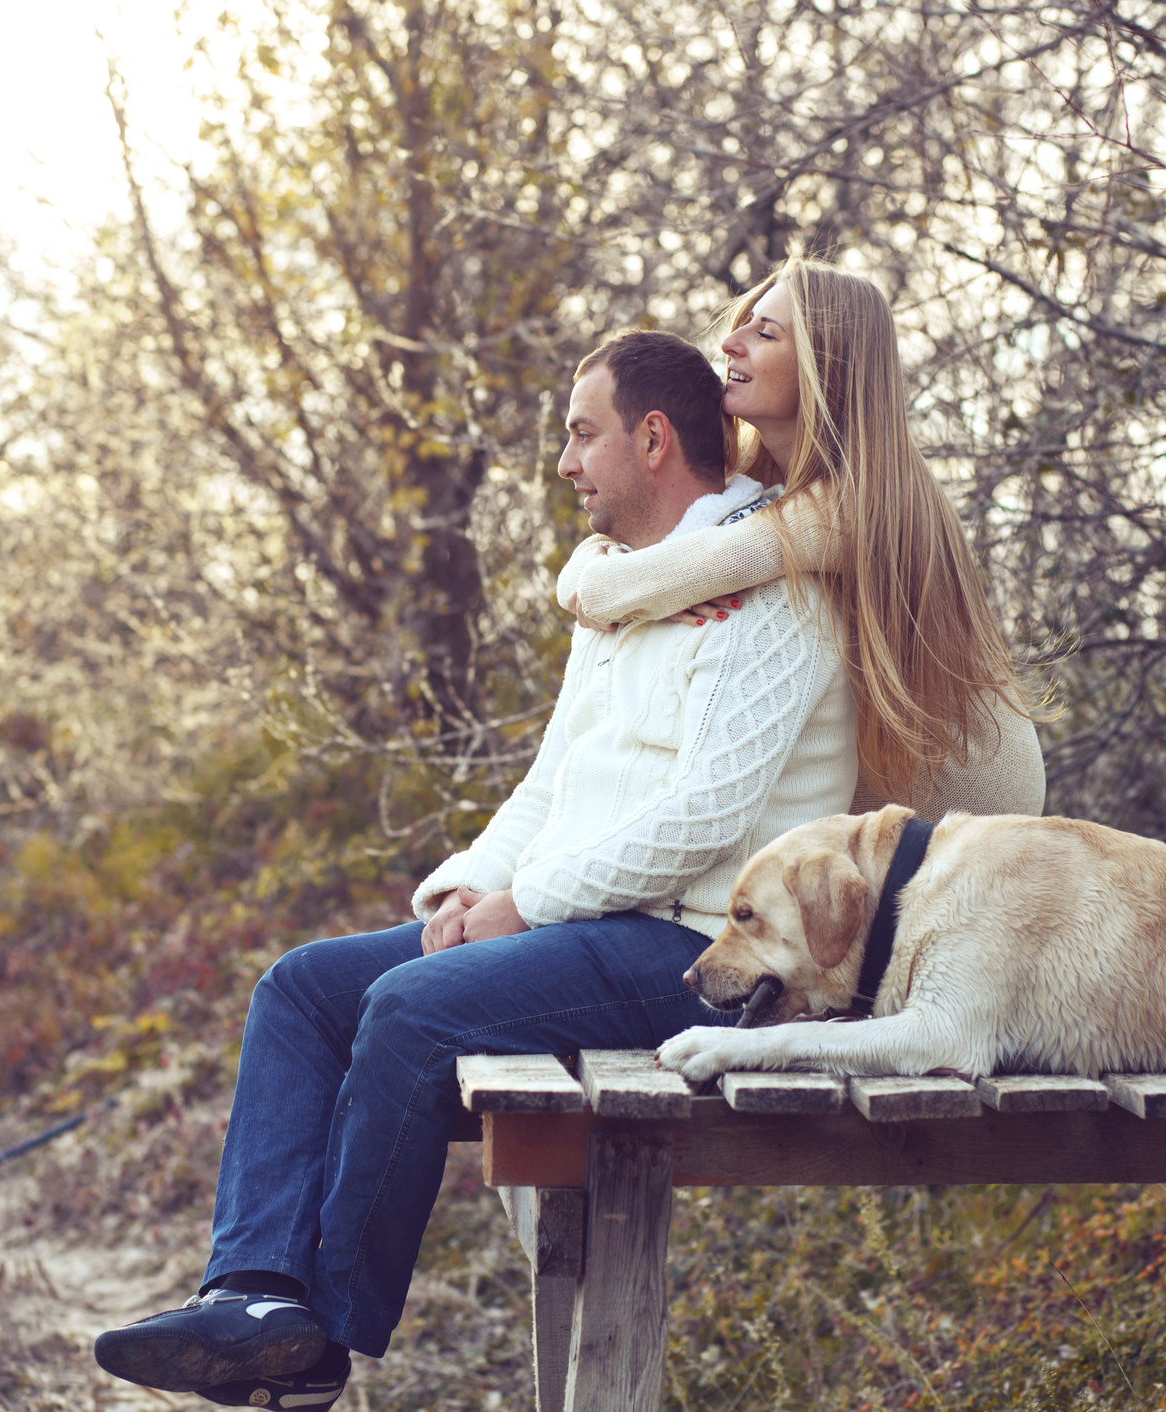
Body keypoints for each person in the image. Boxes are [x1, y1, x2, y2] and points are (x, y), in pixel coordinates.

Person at [94, 266, 1036, 1406]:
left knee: (406, 1010)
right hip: (596, 921)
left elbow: (709, 817)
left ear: (650, 440)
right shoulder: (628, 588)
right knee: (303, 990)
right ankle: (256, 1298)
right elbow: (554, 780)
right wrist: (467, 891)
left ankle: (318, 1341)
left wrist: (528, 906)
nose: (561, 463)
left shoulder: (784, 576)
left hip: (698, 948)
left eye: (580, 434)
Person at [560, 258, 1044, 817]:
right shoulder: (774, 483)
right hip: (876, 800)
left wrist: (597, 586)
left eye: (764, 333)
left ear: (826, 367)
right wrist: (593, 567)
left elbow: (660, 576)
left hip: (959, 812)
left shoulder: (858, 499)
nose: (730, 344)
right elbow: (654, 566)